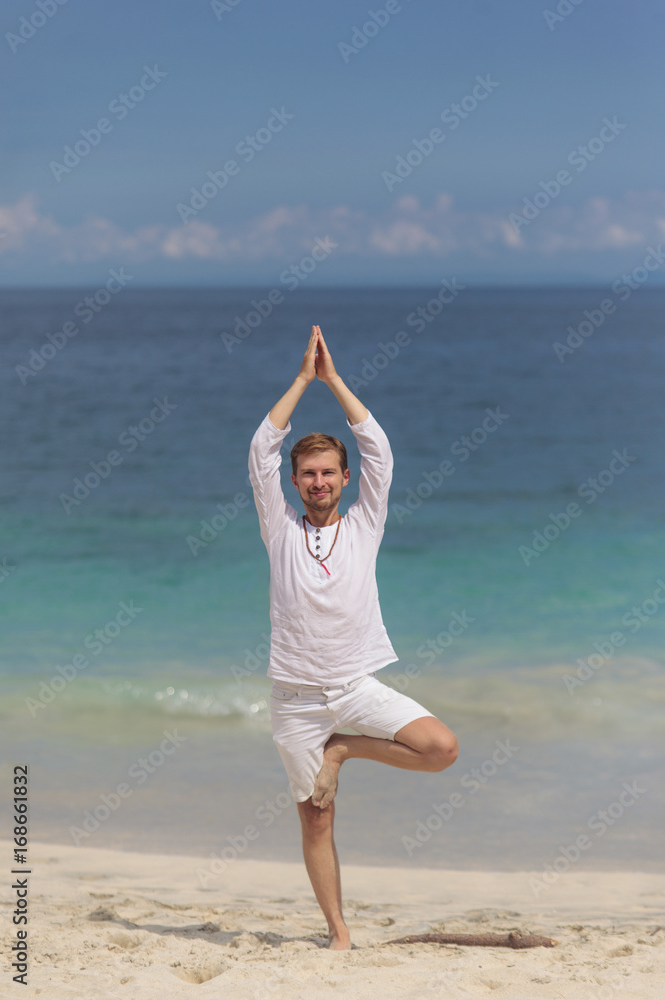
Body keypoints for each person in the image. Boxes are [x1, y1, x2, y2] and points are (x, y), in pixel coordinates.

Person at [248, 325, 458, 950]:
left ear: (345, 479)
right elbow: (262, 446)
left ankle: (345, 749)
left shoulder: (366, 523)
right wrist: (300, 380)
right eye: (307, 474)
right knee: (317, 818)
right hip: (295, 700)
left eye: (328, 473)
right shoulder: (279, 530)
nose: (317, 482)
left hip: (354, 689)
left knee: (441, 748)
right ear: (294, 483)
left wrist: (334, 380)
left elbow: (380, 449)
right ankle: (339, 934)